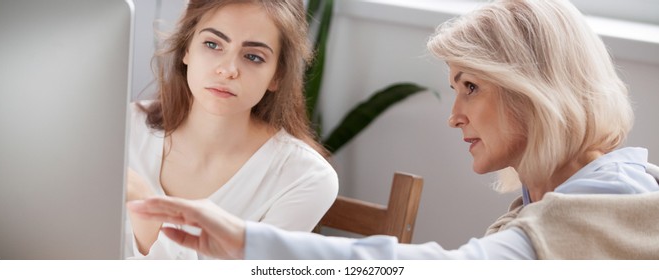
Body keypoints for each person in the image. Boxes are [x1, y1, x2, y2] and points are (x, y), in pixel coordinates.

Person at [127, 0, 659, 259]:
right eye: (213, 45)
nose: (453, 114)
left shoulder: (603, 211)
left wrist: (248, 243)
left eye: (470, 86)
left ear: (532, 90)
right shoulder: (561, 204)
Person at [124, 0, 338, 259]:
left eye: (253, 57)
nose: (227, 70)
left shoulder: (304, 178)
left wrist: (147, 213)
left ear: (277, 75)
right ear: (187, 49)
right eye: (213, 44)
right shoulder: (123, 127)